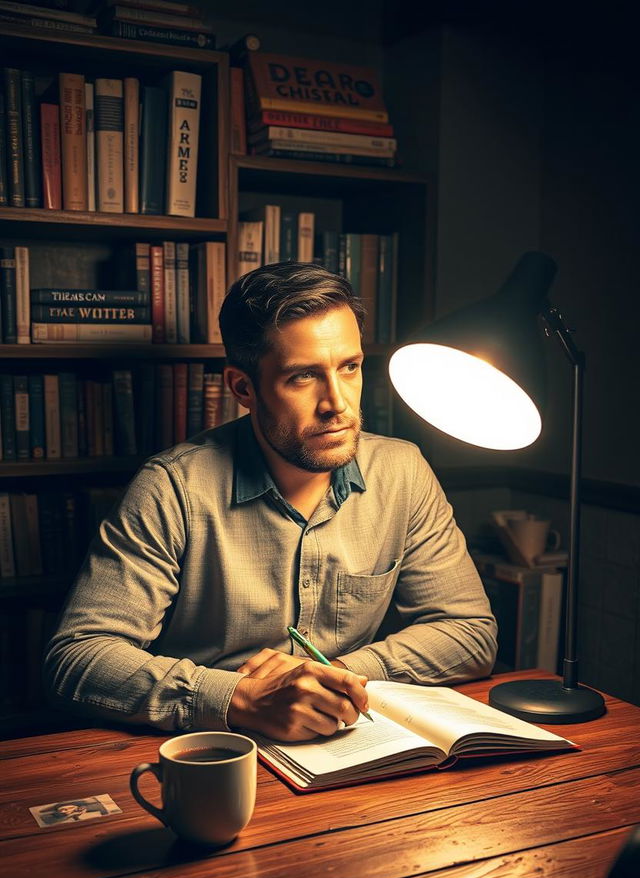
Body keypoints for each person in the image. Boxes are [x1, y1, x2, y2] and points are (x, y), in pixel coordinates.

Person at [44, 262, 497, 742]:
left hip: (349, 742)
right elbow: (79, 656)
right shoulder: (171, 487)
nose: (338, 403)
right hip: (211, 751)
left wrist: (338, 674)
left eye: (350, 367)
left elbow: (470, 632)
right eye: (303, 377)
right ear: (243, 387)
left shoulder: (403, 470)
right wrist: (242, 698)